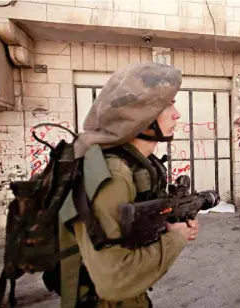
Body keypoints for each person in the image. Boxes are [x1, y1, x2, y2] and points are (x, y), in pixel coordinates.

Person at [58, 63, 198, 307]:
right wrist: (177, 238)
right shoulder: (114, 174)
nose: (177, 114)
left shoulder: (139, 163)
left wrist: (168, 227)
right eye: (168, 105)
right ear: (140, 114)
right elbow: (114, 280)